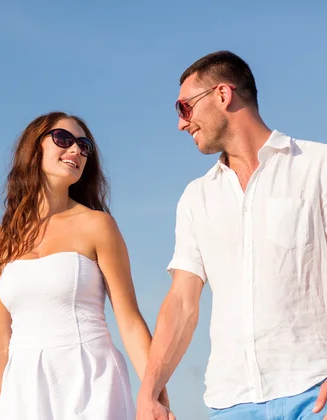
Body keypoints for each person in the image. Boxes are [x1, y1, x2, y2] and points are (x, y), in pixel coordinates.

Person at [136, 50, 327, 420]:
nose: (181, 124)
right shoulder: (196, 198)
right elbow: (182, 303)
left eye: (184, 108)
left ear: (222, 95)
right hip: (231, 404)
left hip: (315, 392)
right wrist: (149, 390)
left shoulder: (317, 167)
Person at [0, 111, 168, 420]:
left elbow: (130, 321)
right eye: (64, 139)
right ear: (34, 147)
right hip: (24, 390)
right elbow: (0, 340)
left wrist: (157, 399)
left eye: (84, 146)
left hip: (90, 380)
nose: (76, 151)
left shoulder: (97, 225)